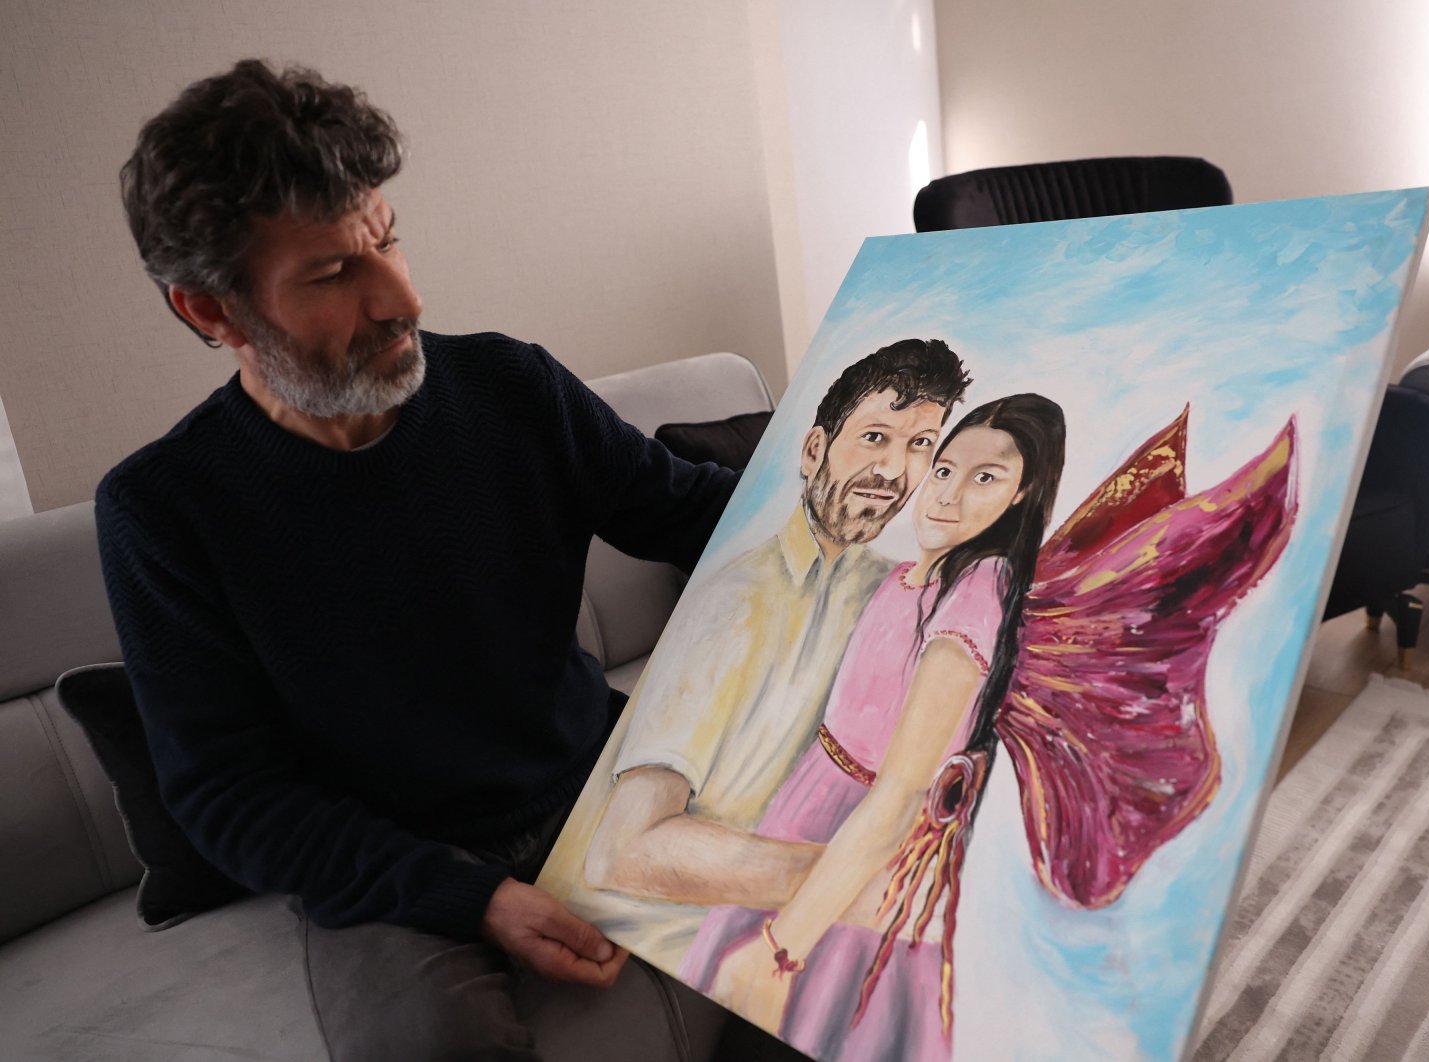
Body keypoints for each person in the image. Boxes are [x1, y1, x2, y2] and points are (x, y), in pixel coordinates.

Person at [100, 58, 741, 1061]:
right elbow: (227, 795)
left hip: (597, 778)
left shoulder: (511, 387)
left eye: (388, 240)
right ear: (212, 312)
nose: (403, 298)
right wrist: (469, 896)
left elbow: (698, 515)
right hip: (388, 859)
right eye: (331, 275)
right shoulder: (164, 510)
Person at [553, 339, 972, 972]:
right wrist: (858, 882)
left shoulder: (900, 592)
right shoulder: (736, 602)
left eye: (920, 445)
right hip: (715, 942)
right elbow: (623, 850)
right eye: (875, 437)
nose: (894, 470)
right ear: (813, 451)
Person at [679, 395, 1067, 1062]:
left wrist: (780, 951)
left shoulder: (979, 587)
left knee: (790, 1025)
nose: (948, 494)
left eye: (986, 477)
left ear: (1023, 493)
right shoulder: (917, 576)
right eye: (944, 469)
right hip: (811, 811)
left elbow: (898, 795)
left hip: (862, 838)